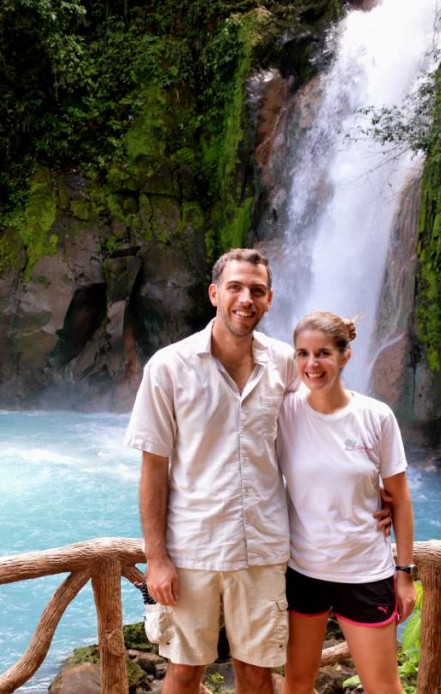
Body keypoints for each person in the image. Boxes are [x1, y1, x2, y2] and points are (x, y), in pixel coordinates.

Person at [124, 248, 297, 694]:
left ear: (270, 299)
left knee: (258, 674)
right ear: (214, 293)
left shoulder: (285, 364)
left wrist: (374, 489)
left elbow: (317, 443)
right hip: (192, 549)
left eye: (257, 290)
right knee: (183, 672)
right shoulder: (169, 367)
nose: (246, 299)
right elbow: (154, 467)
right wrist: (156, 558)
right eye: (235, 287)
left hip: (262, 549)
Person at [278, 311, 416, 694]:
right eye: (302, 354)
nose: (312, 364)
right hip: (303, 569)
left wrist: (403, 574)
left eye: (323, 353)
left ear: (345, 355)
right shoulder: (284, 411)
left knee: (384, 687)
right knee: (298, 682)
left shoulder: (375, 417)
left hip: (365, 571)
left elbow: (400, 498)